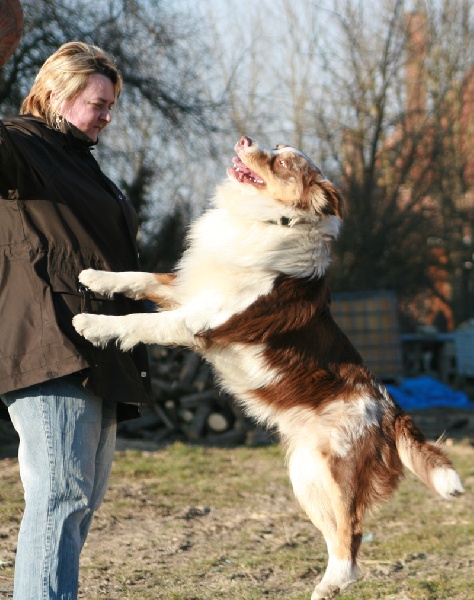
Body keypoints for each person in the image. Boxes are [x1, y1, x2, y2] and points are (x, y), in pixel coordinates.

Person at [0, 42, 151, 599]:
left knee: (76, 503)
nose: (108, 117)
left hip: (101, 345)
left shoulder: (76, 158)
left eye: (112, 105)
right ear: (57, 95)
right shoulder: (17, 144)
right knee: (60, 494)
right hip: (49, 341)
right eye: (99, 103)